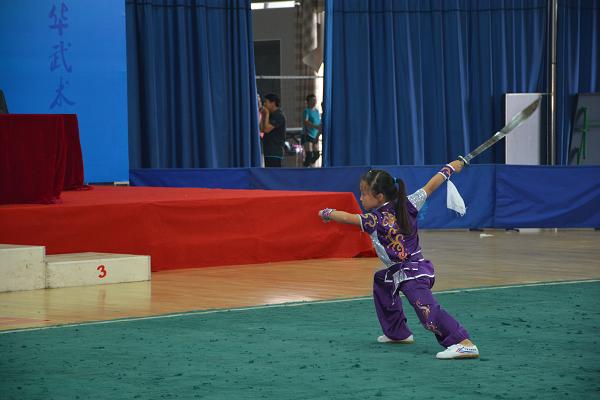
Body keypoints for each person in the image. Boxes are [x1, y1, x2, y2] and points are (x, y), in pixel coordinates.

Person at [318, 161, 479, 359]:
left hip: (412, 276)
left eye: (364, 194)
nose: (360, 198)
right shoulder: (409, 203)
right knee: (382, 280)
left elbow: (346, 218)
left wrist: (327, 213)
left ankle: (463, 343)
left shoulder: (374, 219)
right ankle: (397, 333)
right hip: (408, 270)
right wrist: (450, 168)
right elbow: (431, 186)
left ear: (379, 196)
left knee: (428, 312)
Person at [259, 93, 286, 168]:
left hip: (275, 152)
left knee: (274, 174)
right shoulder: (270, 115)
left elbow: (266, 129)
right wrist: (263, 114)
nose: (264, 104)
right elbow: (261, 129)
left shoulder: (278, 115)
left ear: (273, 103)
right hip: (268, 151)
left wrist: (266, 113)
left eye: (266, 102)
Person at [302, 94, 321, 167]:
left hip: (315, 135)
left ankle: (308, 165)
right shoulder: (306, 111)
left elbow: (318, 122)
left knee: (316, 155)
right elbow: (306, 121)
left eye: (315, 100)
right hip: (308, 134)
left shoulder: (316, 111)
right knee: (309, 154)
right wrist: (315, 126)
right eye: (313, 100)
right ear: (308, 101)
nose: (315, 101)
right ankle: (305, 167)